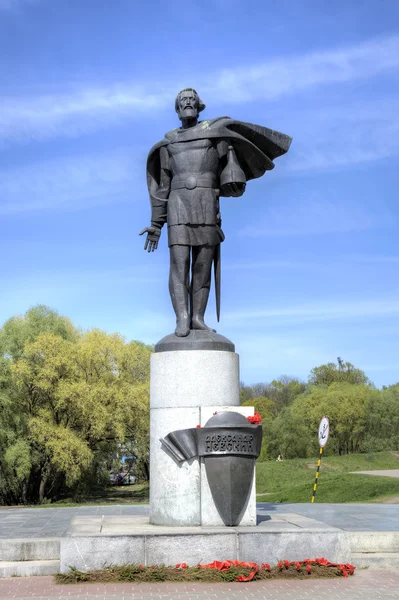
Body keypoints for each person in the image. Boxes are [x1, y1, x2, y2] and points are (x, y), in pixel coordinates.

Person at [140, 88, 291, 337]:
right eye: (182, 101)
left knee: (202, 265)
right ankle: (182, 319)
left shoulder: (217, 134)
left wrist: (234, 178)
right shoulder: (169, 143)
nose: (187, 103)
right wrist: (156, 224)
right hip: (178, 205)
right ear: (177, 109)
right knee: (179, 265)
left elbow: (230, 176)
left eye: (191, 100)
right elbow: (162, 186)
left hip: (207, 204)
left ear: (199, 106)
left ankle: (198, 318)